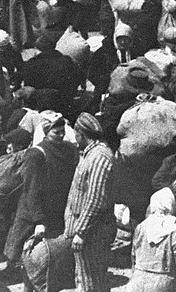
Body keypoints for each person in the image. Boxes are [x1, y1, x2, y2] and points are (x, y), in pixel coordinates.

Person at [0, 113, 79, 282]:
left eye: (62, 131)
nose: (61, 135)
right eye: (56, 132)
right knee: (20, 240)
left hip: (56, 203)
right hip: (33, 205)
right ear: (46, 132)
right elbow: (31, 188)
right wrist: (38, 218)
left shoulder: (69, 150)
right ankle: (13, 269)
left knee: (45, 245)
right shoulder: (35, 154)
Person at [65, 113, 116, 292]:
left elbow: (96, 199)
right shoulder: (89, 154)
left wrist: (81, 232)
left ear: (81, 133)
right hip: (87, 229)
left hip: (93, 231)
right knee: (86, 279)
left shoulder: (100, 157)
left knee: (90, 281)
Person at [125, 188, 176, 292]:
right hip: (164, 284)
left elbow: (133, 257)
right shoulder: (174, 231)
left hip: (138, 281)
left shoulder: (141, 227)